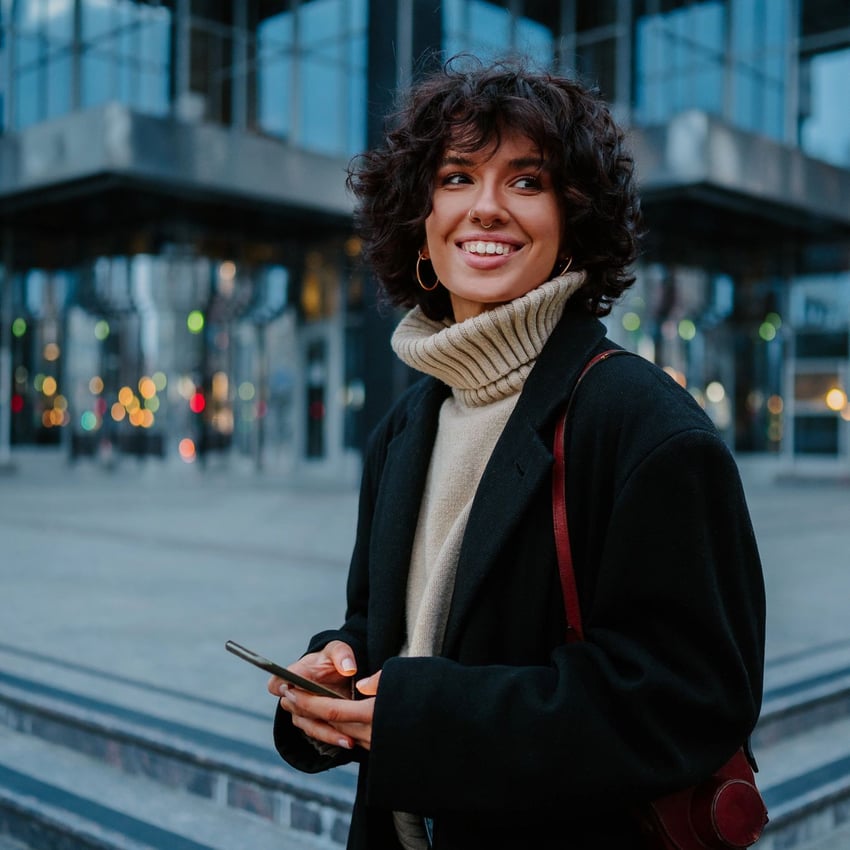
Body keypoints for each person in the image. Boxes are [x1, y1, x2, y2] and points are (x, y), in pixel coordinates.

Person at [268, 56, 766, 850]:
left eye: (527, 182)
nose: (487, 208)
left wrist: (421, 715)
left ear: (572, 224)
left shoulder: (643, 426)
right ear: (421, 224)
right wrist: (337, 675)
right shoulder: (407, 426)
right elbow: (391, 626)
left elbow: (690, 700)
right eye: (457, 177)